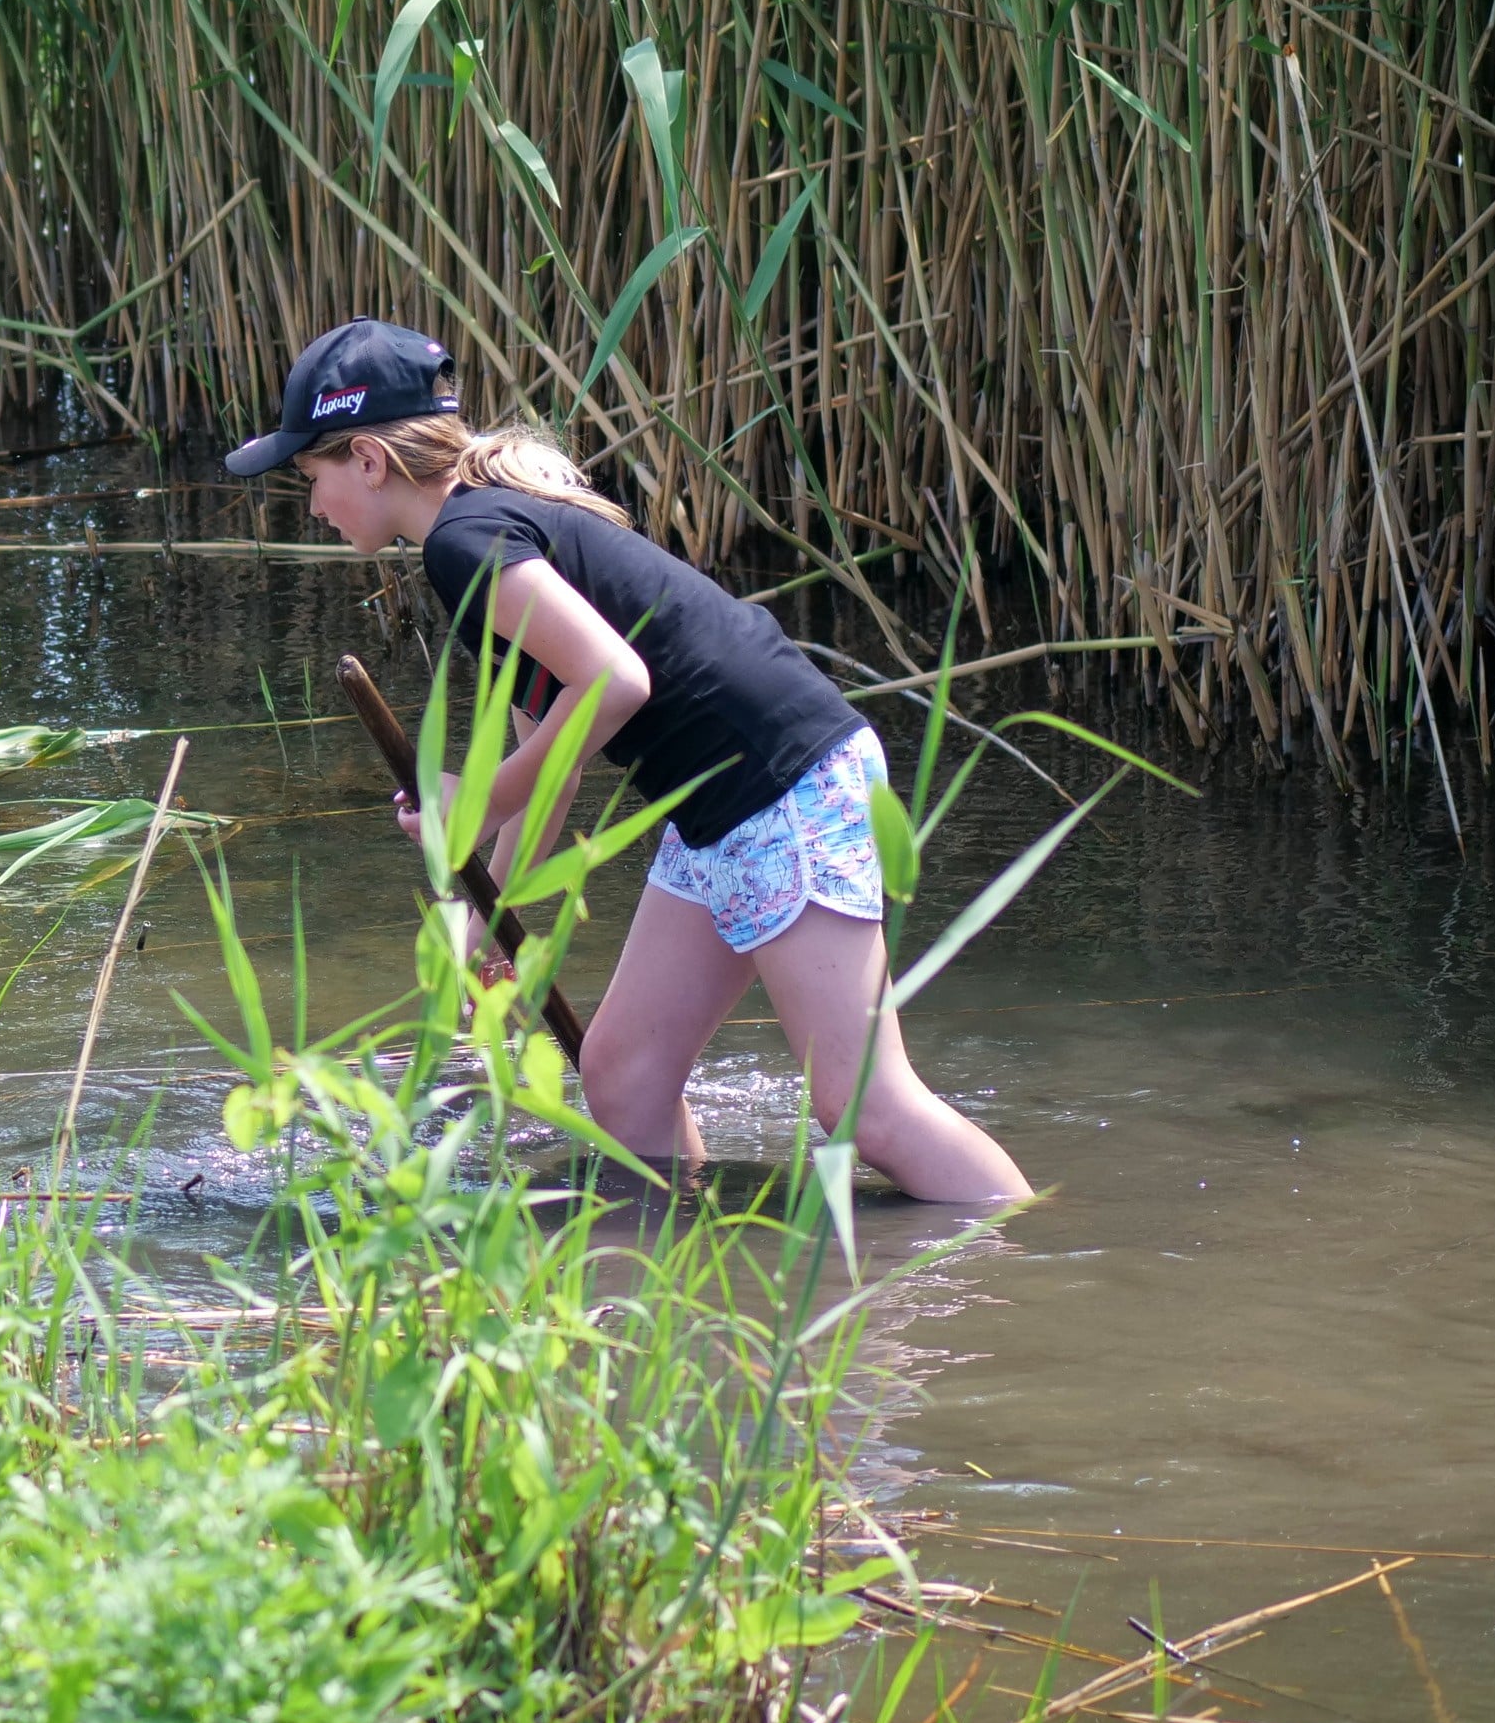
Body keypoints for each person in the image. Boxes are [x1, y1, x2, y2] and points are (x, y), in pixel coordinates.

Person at [226, 320, 1028, 1204]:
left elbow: (615, 681)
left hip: (785, 787)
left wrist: (478, 799)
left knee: (864, 1110)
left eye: (313, 477)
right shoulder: (481, 527)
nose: (313, 506)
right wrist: (488, 913)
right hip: (720, 806)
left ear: (370, 459)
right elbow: (554, 751)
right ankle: (676, 1286)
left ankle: (1030, 1262)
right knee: (622, 1080)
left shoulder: (466, 543)